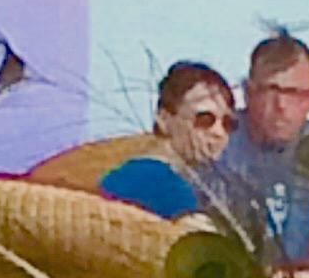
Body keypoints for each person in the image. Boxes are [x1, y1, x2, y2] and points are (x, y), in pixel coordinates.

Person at [206, 32, 309, 272]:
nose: (281, 106)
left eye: (295, 93)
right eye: (271, 90)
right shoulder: (218, 138)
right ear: (248, 92)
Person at [98, 60, 234, 222]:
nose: (219, 132)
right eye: (204, 119)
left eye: (228, 124)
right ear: (164, 119)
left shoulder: (120, 175)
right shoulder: (168, 187)